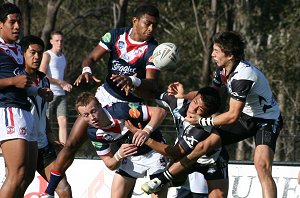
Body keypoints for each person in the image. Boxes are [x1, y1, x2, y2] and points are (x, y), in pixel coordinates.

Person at [144, 31, 283, 198]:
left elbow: (232, 115)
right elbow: (210, 95)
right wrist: (184, 95)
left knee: (262, 166)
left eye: (217, 50)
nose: (212, 54)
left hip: (267, 121)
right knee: (202, 146)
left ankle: (163, 179)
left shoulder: (243, 76)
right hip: (246, 117)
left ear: (230, 55)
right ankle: (162, 179)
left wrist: (202, 121)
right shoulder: (222, 71)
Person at [41, 92, 169, 198]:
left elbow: (160, 111)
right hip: (130, 159)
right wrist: (118, 155)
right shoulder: (94, 133)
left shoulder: (120, 110)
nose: (92, 118)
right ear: (81, 117)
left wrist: (146, 131)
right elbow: (109, 164)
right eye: (86, 115)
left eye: (94, 111)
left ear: (100, 106)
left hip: (154, 153)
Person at [125, 86, 229, 197]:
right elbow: (153, 92)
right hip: (185, 160)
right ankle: (179, 183)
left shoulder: (202, 129)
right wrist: (132, 85)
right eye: (194, 102)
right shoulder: (180, 104)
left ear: (208, 115)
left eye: (201, 109)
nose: (193, 109)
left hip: (211, 161)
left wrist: (145, 138)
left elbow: (175, 152)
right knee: (160, 183)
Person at [0, 3, 50, 197]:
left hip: (25, 111)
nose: (17, 26)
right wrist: (13, 80)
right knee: (16, 172)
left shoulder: (18, 49)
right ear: (1, 24)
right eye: (12, 22)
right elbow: (15, 81)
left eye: (19, 22)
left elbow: (21, 84)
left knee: (27, 174)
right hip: (8, 110)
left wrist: (37, 91)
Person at [73, 3, 161, 108]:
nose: (151, 28)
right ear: (135, 21)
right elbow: (91, 58)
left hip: (131, 104)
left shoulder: (154, 49)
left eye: (154, 25)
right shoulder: (115, 35)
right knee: (82, 121)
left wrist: (132, 80)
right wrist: (86, 70)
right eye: (147, 23)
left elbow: (153, 83)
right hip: (105, 95)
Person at [20, 35, 72, 198]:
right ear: (22, 53)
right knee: (17, 186)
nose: (36, 57)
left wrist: (50, 136)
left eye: (40, 53)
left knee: (64, 188)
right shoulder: (16, 78)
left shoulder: (44, 80)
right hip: (22, 144)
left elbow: (42, 112)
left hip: (42, 145)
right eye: (32, 52)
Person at [40, 31, 72, 144]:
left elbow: (65, 76)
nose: (59, 43)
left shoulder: (64, 57)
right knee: (46, 120)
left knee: (63, 121)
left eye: (61, 41)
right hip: (49, 93)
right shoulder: (47, 55)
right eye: (57, 40)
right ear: (51, 41)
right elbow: (42, 74)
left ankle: (63, 148)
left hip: (61, 94)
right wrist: (60, 82)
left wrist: (67, 84)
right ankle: (47, 145)